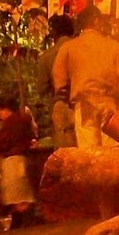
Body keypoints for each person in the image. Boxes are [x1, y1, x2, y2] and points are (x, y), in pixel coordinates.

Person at [52, 6, 119, 148]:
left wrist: (65, 101)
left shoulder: (68, 47)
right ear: (97, 21)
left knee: (89, 151)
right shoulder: (114, 46)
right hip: (110, 104)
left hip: (84, 105)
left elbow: (59, 80)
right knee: (111, 151)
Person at [0, 96, 37, 228]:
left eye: (0, 110)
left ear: (6, 109)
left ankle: (23, 221)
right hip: (20, 159)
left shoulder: (11, 124)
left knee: (18, 195)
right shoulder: (22, 121)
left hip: (13, 160)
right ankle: (19, 221)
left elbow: (4, 143)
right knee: (19, 194)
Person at [37, 14, 77, 147]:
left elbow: (41, 88)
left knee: (65, 153)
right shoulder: (84, 49)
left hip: (62, 106)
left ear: (54, 33)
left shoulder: (47, 56)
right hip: (85, 105)